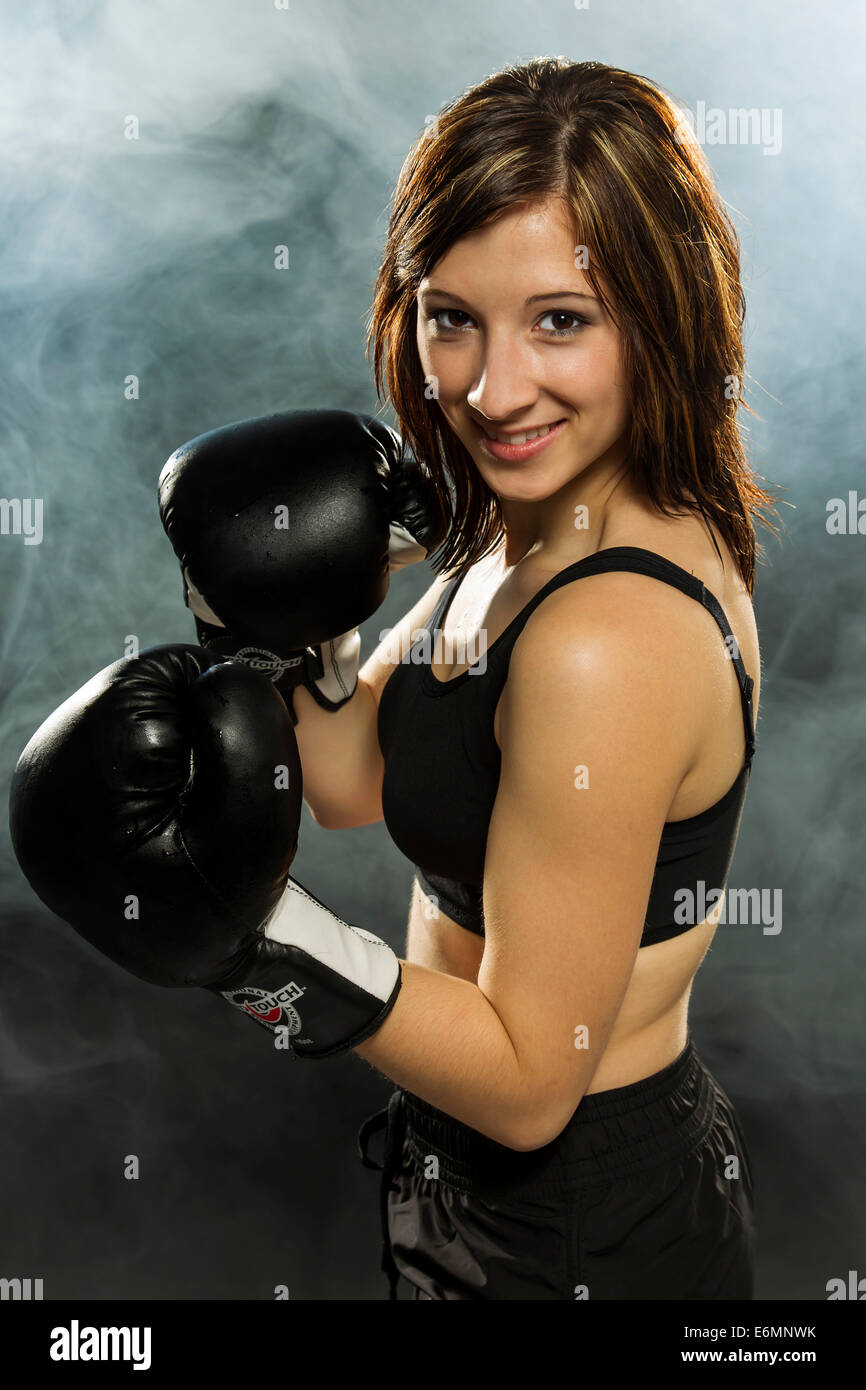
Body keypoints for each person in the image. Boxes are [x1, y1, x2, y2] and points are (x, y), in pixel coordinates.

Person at [9, 56, 780, 1302]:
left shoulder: (607, 638)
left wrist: (253, 946)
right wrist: (271, 612)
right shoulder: (523, 524)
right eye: (449, 314)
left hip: (574, 1223)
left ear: (665, 313)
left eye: (560, 320)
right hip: (472, 1176)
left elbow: (532, 1084)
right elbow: (356, 774)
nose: (489, 389)